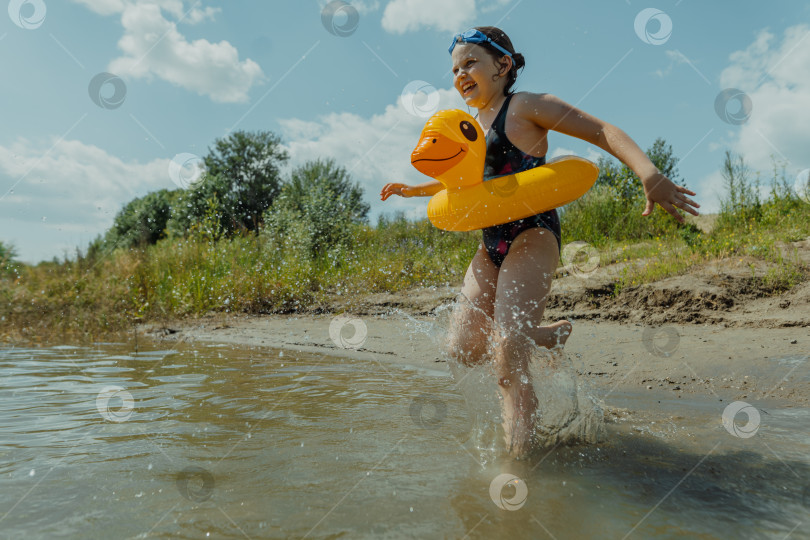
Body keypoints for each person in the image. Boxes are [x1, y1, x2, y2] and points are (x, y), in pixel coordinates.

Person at [380, 26, 700, 457]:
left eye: (470, 62)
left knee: (507, 355)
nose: (460, 74)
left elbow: (602, 131)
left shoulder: (526, 107)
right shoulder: (469, 126)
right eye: (454, 69)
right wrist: (414, 190)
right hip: (489, 244)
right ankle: (544, 335)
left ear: (503, 65)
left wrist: (649, 174)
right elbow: (461, 186)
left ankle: (519, 464)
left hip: (532, 234)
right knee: (462, 349)